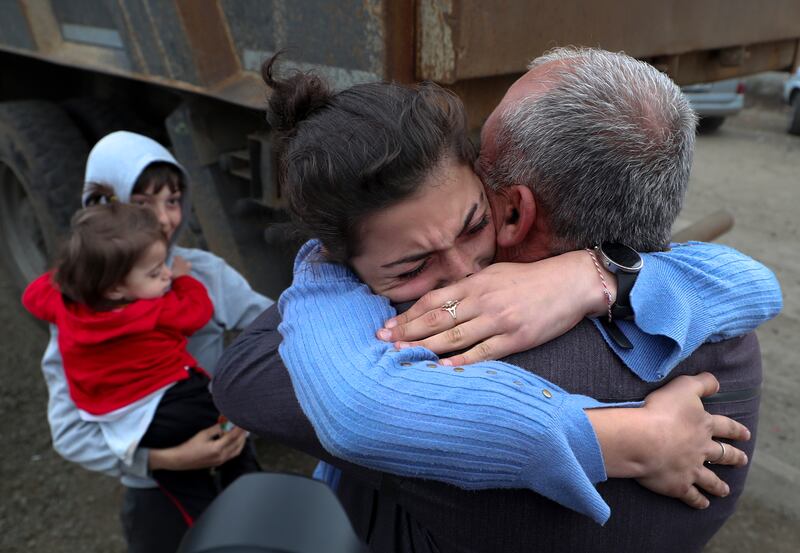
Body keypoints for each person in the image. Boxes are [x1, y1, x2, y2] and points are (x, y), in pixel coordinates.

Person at [213, 49, 781, 551]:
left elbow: (249, 377)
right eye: (412, 266)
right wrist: (604, 280)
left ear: (514, 209)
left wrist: (329, 271)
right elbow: (757, 283)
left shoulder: (446, 362)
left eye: (475, 218)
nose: (461, 275)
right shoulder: (723, 335)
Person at [39, 131, 273, 553]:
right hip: (156, 490)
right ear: (102, 212)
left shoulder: (203, 273)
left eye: (173, 199)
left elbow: (276, 328)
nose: (165, 219)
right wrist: (163, 460)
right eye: (142, 203)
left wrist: (246, 409)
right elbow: (70, 433)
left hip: (234, 458)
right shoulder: (77, 310)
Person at [23, 202, 258, 529]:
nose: (164, 274)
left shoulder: (66, 307)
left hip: (124, 423)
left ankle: (211, 533)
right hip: (175, 403)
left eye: (163, 267)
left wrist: (75, 273)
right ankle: (250, 498)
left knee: (187, 489)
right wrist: (183, 280)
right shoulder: (150, 311)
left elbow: (33, 296)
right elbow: (197, 311)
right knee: (233, 421)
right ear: (115, 288)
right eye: (154, 272)